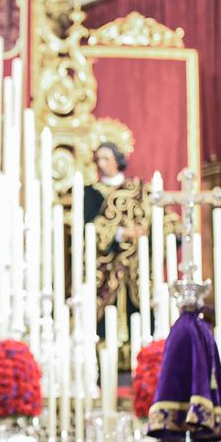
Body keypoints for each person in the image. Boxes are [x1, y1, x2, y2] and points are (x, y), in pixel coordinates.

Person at [83, 141, 153, 332]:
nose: (101, 163)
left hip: (136, 267)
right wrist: (120, 233)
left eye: (106, 158)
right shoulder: (91, 192)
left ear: (118, 160)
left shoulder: (139, 190)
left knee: (139, 319)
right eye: (98, 159)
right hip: (107, 265)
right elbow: (89, 226)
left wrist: (143, 231)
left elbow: (155, 219)